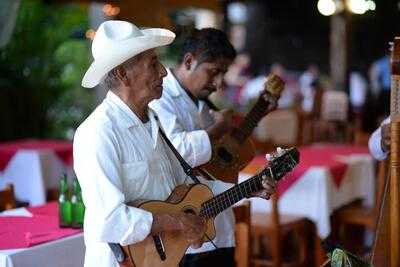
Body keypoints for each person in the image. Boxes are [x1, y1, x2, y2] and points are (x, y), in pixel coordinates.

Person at [74, 20, 277, 267]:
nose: (162, 71)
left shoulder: (153, 122)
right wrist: (178, 222)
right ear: (122, 74)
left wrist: (248, 188)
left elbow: (186, 186)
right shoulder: (97, 132)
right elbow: (109, 220)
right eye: (152, 63)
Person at [149, 28, 278, 267]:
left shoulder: (202, 102)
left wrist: (259, 111)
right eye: (213, 72)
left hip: (220, 221)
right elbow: (180, 154)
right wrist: (217, 129)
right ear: (189, 61)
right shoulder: (161, 98)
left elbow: (223, 158)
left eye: (223, 74)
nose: (218, 84)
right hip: (185, 236)